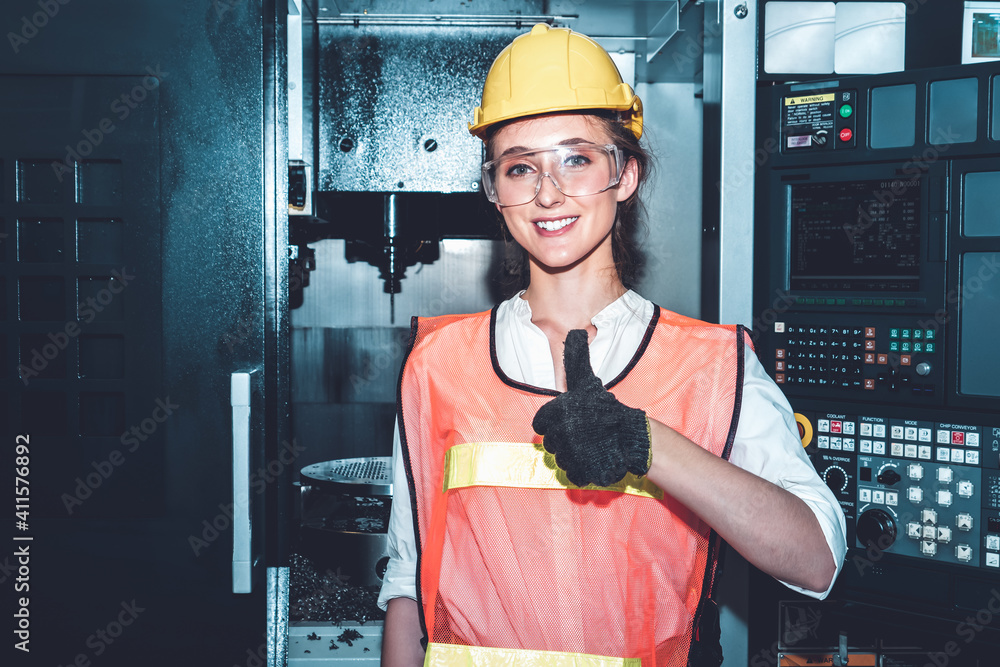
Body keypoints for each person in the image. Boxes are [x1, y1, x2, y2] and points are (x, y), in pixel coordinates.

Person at [378, 23, 846, 667]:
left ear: (625, 174)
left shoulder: (710, 365)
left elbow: (816, 561)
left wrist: (649, 445)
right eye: (519, 168)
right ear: (495, 192)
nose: (547, 193)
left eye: (576, 158)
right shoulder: (438, 363)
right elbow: (406, 583)